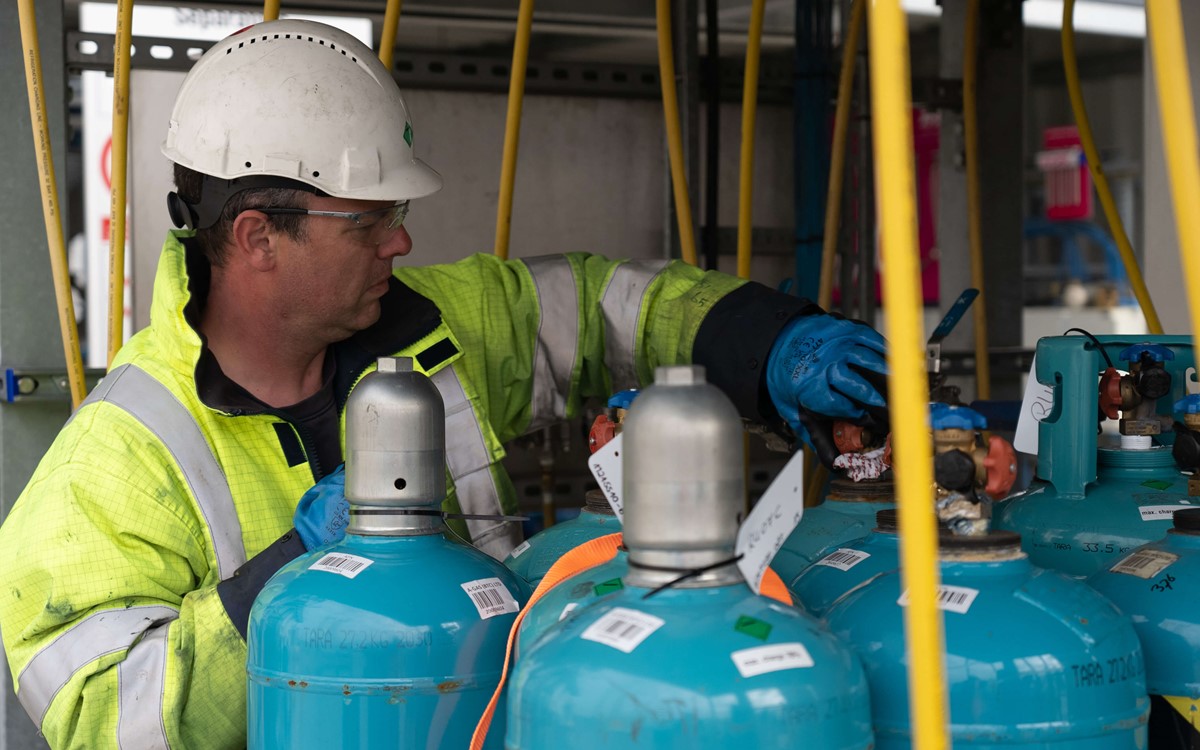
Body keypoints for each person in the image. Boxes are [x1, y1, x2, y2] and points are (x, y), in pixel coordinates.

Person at [0, 18, 887, 749]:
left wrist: (769, 343)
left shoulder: (433, 325)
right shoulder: (116, 460)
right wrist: (285, 582)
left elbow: (603, 304)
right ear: (258, 238)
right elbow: (104, 717)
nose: (401, 242)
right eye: (371, 219)